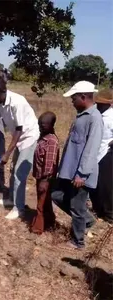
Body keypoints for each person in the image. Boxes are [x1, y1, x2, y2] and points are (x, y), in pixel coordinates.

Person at [52, 81, 103, 250]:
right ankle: (87, 220)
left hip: (81, 174)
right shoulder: (82, 115)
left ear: (83, 97)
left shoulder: (94, 118)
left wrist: (82, 174)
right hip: (70, 171)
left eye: (74, 98)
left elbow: (91, 148)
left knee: (77, 206)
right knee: (57, 195)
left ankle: (78, 241)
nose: (72, 101)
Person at [0, 77, 39, 220]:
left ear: (2, 92)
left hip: (28, 137)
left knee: (19, 173)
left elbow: (19, 129)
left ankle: (19, 208)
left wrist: (7, 153)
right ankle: (11, 199)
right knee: (13, 169)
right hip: (19, 138)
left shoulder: (17, 102)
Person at [31, 112, 60, 234]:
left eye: (43, 124)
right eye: (39, 124)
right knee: (45, 201)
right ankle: (50, 223)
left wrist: (45, 181)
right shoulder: (43, 138)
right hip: (40, 176)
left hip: (46, 178)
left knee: (40, 205)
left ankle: (37, 228)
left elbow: (50, 164)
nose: (40, 127)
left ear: (51, 125)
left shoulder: (51, 141)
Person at [89, 89, 113, 224]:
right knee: (96, 185)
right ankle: (98, 210)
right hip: (97, 154)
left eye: (101, 104)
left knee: (106, 186)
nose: (98, 106)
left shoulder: (110, 117)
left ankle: (109, 214)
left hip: (106, 154)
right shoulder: (99, 115)